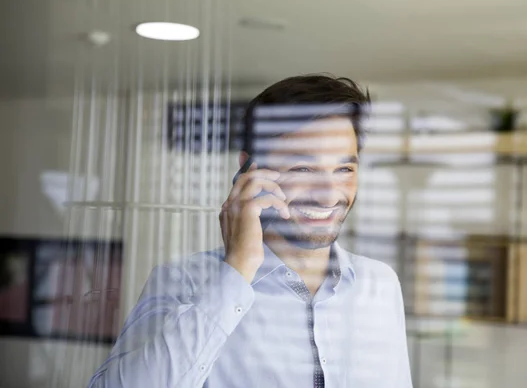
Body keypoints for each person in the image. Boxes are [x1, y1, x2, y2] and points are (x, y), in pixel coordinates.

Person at [88, 74, 412, 387]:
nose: (329, 194)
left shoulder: (380, 285)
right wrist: (237, 272)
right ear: (248, 170)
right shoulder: (182, 282)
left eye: (344, 168)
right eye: (302, 167)